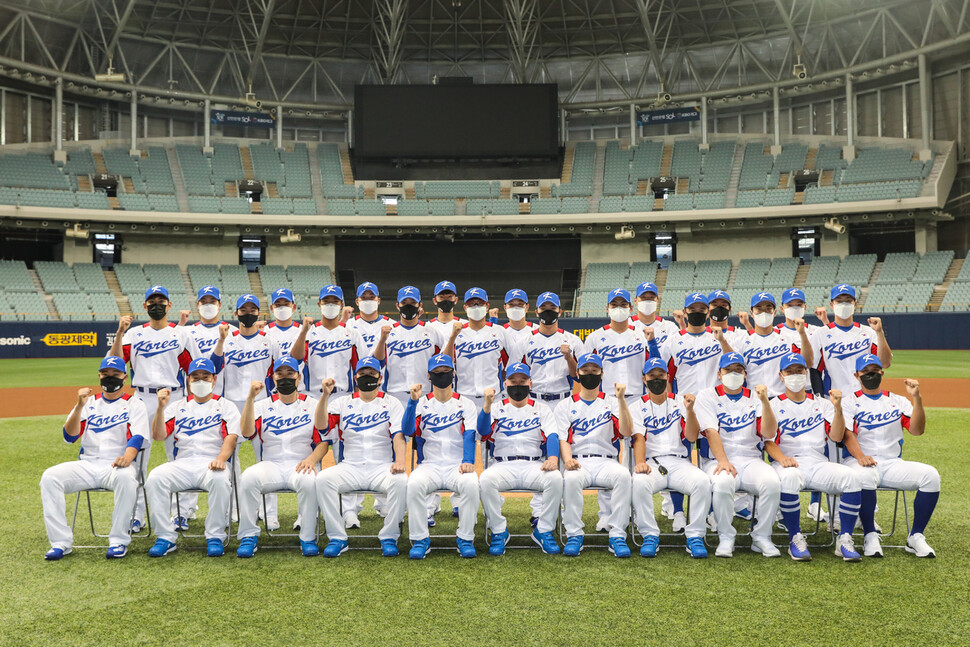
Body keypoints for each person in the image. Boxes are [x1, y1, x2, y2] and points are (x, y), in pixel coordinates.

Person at [108, 284, 201, 530]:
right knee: (136, 458)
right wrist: (119, 333)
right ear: (145, 306)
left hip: (175, 397)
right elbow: (116, 363)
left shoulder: (181, 334)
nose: (157, 304)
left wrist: (193, 403)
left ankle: (182, 512)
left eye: (161, 300)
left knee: (182, 455)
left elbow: (193, 370)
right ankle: (135, 514)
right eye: (152, 301)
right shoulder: (134, 334)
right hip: (142, 397)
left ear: (169, 305)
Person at [40, 356, 148, 560]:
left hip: (117, 465)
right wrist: (79, 406)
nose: (110, 378)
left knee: (126, 478)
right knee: (50, 477)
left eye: (115, 374)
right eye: (105, 374)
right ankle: (60, 542)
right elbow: (69, 436)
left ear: (124, 377)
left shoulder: (135, 404)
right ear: (99, 376)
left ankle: (118, 540)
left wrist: (128, 456)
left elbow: (138, 437)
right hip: (88, 464)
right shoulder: (88, 403)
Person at [765, 353, 863, 561]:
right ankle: (795, 537)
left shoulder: (823, 404)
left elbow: (836, 436)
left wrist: (837, 409)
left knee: (851, 478)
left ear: (806, 374)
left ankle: (844, 538)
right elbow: (768, 442)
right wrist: (782, 459)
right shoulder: (773, 405)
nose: (795, 375)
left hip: (817, 462)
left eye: (799, 371)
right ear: (781, 376)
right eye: (789, 372)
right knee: (789, 477)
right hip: (787, 463)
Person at [841, 354, 940, 558]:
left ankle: (916, 537)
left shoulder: (897, 401)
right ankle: (870, 534)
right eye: (866, 372)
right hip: (858, 462)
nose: (871, 375)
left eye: (875, 371)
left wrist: (917, 399)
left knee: (931, 476)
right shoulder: (849, 402)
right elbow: (847, 435)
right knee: (866, 475)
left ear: (882, 373)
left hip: (892, 462)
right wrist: (860, 456)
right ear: (857, 375)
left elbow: (917, 430)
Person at [235, 358, 332, 558]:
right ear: (273, 378)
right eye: (280, 374)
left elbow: (324, 441)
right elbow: (246, 431)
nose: (285, 378)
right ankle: (248, 536)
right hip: (271, 464)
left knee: (309, 481)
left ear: (299, 377)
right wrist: (250, 399)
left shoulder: (313, 404)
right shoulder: (261, 405)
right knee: (248, 477)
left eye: (290, 373)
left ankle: (307, 537)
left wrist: (311, 460)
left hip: (302, 463)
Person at [313, 357, 408, 558]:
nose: (367, 377)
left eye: (372, 374)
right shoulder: (341, 403)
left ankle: (389, 536)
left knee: (401, 481)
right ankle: (337, 537)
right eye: (363, 374)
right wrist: (325, 396)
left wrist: (400, 461)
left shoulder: (392, 403)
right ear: (355, 378)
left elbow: (398, 435)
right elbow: (322, 426)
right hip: (350, 466)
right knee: (323, 479)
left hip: (382, 466)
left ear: (380, 378)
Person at [145, 358, 240, 558]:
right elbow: (159, 435)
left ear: (214, 380)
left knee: (220, 480)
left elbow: (231, 439)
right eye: (195, 377)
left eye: (205, 377)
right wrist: (160, 408)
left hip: (212, 463)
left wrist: (221, 459)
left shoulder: (225, 406)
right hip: (183, 464)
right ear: (188, 380)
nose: (200, 381)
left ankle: (215, 535)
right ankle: (165, 536)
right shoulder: (176, 407)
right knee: (155, 478)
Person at [693, 352, 781, 558]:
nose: (734, 373)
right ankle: (726, 536)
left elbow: (768, 433)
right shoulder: (707, 395)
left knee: (772, 482)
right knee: (723, 483)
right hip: (716, 459)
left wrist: (766, 402)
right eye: (728, 370)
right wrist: (723, 461)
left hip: (751, 458)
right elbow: (710, 431)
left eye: (738, 370)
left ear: (745, 373)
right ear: (719, 374)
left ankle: (762, 536)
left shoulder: (756, 396)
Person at [629, 357, 711, 559]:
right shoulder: (637, 406)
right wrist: (640, 463)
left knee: (702, 481)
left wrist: (690, 411)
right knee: (639, 482)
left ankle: (695, 536)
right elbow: (638, 437)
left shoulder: (681, 401)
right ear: (644, 379)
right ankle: (649, 535)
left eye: (661, 375)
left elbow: (692, 436)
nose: (656, 379)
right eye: (652, 376)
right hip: (652, 463)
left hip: (679, 461)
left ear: (668, 377)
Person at [477, 363, 563, 556]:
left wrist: (552, 458)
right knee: (485, 480)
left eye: (522, 381)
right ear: (505, 383)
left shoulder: (541, 409)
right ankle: (499, 531)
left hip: (533, 464)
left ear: (530, 383)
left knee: (556, 478)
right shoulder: (495, 408)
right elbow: (482, 432)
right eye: (513, 381)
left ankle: (544, 530)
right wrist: (487, 405)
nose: (518, 385)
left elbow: (551, 436)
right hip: (503, 464)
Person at [401, 354, 480, 559]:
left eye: (446, 372)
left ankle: (465, 538)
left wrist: (468, 461)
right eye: (437, 373)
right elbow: (408, 431)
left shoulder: (466, 404)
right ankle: (419, 539)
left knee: (471, 484)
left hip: (457, 464)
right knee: (414, 484)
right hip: (429, 464)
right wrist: (411, 403)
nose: (442, 376)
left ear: (453, 374)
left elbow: (470, 434)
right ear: (429, 376)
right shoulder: (420, 402)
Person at [555, 354, 633, 558]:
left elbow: (625, 432)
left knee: (623, 476)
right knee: (570, 479)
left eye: (594, 371)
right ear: (578, 373)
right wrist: (568, 459)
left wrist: (622, 400)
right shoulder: (566, 405)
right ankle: (574, 534)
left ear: (602, 374)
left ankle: (617, 535)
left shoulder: (612, 402)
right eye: (585, 371)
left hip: (606, 460)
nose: (590, 374)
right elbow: (563, 438)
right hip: (578, 460)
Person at [374, 285, 458, 406]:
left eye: (413, 302)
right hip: (394, 393)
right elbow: (377, 363)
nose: (409, 306)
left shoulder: (432, 331)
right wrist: (382, 340)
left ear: (420, 305)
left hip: (425, 393)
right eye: (404, 302)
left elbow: (445, 361)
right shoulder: (387, 331)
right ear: (398, 306)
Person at [290, 285, 369, 400]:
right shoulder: (308, 331)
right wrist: (303, 333)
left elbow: (361, 365)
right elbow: (296, 359)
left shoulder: (352, 333)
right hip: (313, 395)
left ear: (341, 305)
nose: (330, 305)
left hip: (343, 395)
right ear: (319, 305)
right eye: (326, 301)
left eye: (335, 301)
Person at [809, 284, 892, 393]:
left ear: (855, 304)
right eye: (839, 301)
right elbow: (815, 370)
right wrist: (820, 398)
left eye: (848, 301)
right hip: (834, 397)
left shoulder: (869, 332)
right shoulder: (820, 334)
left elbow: (885, 363)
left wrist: (880, 333)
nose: (844, 305)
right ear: (832, 305)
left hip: (863, 397)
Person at [452, 287, 513, 410]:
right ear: (465, 307)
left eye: (480, 303)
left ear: (487, 306)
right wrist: (452, 336)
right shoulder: (457, 332)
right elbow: (446, 363)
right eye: (471, 304)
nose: (475, 307)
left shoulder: (499, 331)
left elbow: (512, 362)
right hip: (464, 397)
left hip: (494, 397)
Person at [737, 292, 800, 397]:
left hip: (782, 398)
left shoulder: (789, 339)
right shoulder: (741, 341)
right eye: (759, 309)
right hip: (753, 398)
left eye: (768, 308)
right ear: (752, 313)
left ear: (774, 312)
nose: (764, 312)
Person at [182, 286, 237, 357]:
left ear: (219, 305)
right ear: (198, 305)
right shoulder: (188, 332)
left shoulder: (232, 331)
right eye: (204, 302)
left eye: (212, 302)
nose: (208, 305)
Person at [344, 282, 390, 354]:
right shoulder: (349, 324)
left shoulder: (391, 324)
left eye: (372, 297)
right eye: (363, 297)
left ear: (378, 301)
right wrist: (342, 321)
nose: (368, 301)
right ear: (357, 302)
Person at [630, 282, 679, 349]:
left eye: (652, 297)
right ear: (635, 301)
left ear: (657, 301)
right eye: (643, 297)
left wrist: (682, 324)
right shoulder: (626, 325)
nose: (647, 301)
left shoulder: (670, 327)